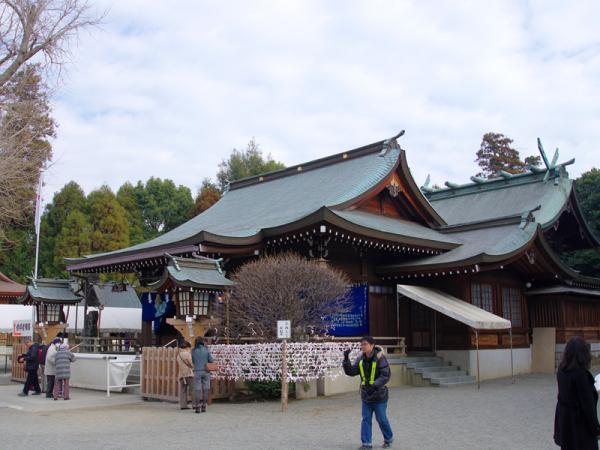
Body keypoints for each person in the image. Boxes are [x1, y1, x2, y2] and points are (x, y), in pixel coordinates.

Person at [343, 336, 394, 449]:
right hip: (366, 395)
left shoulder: (380, 358)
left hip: (379, 395)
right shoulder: (360, 358)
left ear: (372, 345)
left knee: (381, 419)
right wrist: (346, 359)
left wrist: (374, 385)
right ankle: (366, 444)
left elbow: (385, 376)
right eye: (361, 344)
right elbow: (352, 372)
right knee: (366, 419)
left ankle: (388, 438)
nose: (363, 346)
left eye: (365, 344)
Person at [554, 336, 600, 450]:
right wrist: (596, 429)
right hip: (580, 427)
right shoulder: (580, 375)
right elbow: (588, 406)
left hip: (566, 422)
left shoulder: (561, 370)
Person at [191, 337, 214, 413]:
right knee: (206, 389)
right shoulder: (206, 350)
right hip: (206, 371)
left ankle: (197, 407)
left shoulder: (193, 351)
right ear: (202, 342)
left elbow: (192, 361)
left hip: (197, 371)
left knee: (197, 390)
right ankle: (204, 406)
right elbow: (211, 360)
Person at [177, 341, 194, 410]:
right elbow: (191, 363)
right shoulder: (187, 354)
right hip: (189, 374)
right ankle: (195, 404)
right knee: (192, 390)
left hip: (181, 374)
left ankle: (183, 405)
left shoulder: (178, 355)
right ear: (187, 347)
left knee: (183, 390)